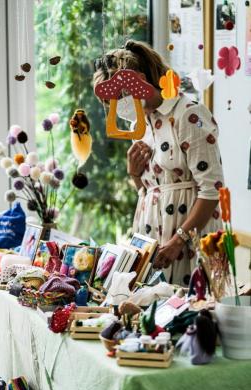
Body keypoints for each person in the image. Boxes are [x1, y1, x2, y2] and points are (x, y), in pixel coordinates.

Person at [93, 40, 224, 285]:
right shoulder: (139, 125)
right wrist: (134, 175)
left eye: (118, 95)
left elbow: (211, 189)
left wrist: (178, 241)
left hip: (189, 238)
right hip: (154, 236)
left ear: (139, 80)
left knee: (191, 314)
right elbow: (152, 189)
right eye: (108, 101)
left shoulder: (187, 114)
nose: (115, 105)